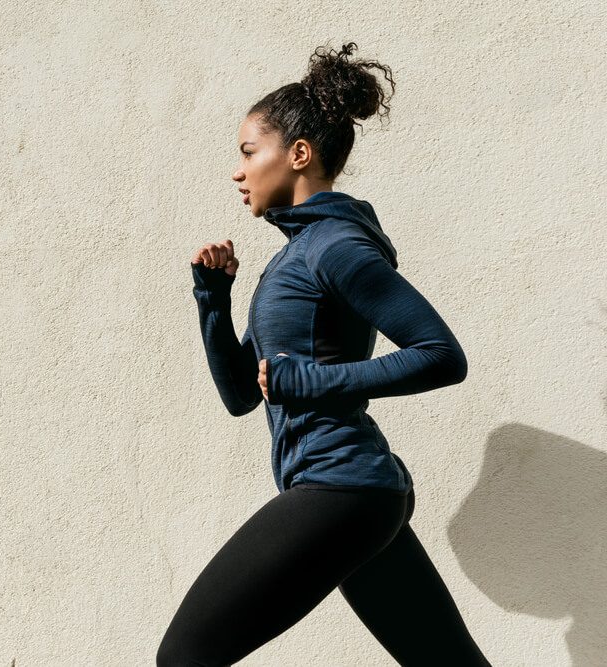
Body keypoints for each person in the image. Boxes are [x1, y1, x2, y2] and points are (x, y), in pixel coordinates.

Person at [157, 42, 492, 666]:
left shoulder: (336, 248)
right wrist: (213, 300)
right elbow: (241, 394)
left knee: (185, 655)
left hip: (341, 486)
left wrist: (309, 381)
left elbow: (442, 355)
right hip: (355, 495)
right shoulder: (290, 260)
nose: (238, 171)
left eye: (248, 152)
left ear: (299, 154)